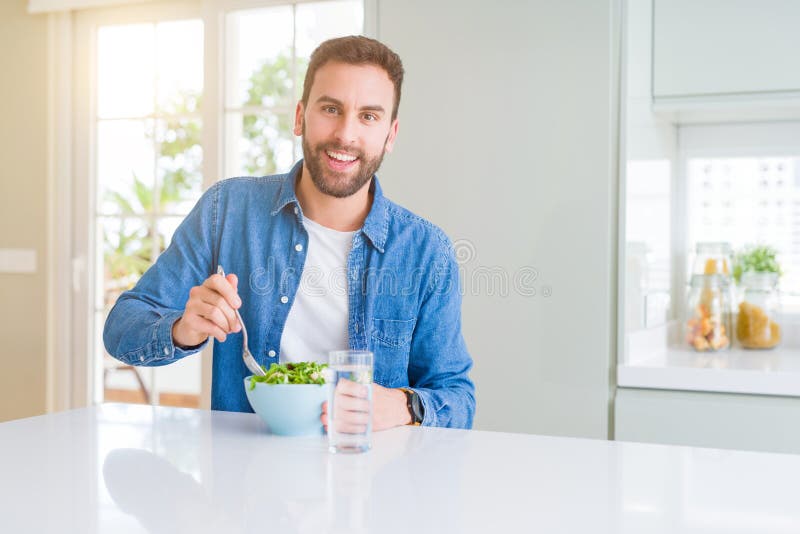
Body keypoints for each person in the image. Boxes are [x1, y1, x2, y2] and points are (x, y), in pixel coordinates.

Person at [103, 35, 475, 430]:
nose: (346, 135)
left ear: (390, 134)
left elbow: (457, 396)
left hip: (371, 476)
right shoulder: (226, 210)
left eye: (368, 116)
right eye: (331, 109)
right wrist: (183, 330)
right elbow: (121, 328)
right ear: (300, 116)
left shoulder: (425, 251)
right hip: (244, 476)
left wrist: (403, 406)